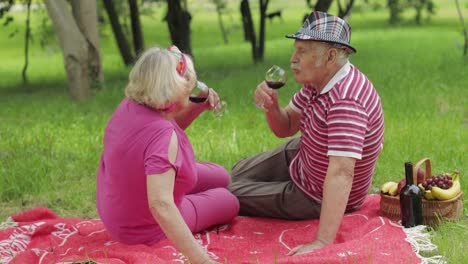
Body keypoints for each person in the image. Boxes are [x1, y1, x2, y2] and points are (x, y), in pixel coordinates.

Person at [229, 11, 384, 256]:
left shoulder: (346, 101)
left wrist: (322, 242)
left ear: (331, 56)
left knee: (227, 194)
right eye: (295, 49)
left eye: (302, 51)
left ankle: (178, 199)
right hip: (307, 155)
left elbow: (341, 173)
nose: (293, 59)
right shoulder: (318, 82)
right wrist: (272, 107)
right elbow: (287, 126)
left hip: (316, 193)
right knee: (233, 174)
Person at [96, 45, 239, 264]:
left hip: (117, 205)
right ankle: (192, 203)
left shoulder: (131, 106)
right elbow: (161, 205)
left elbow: (161, 129)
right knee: (229, 201)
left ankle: (190, 197)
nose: (193, 84)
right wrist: (203, 261)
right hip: (142, 226)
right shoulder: (163, 136)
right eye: (188, 81)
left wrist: (197, 105)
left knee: (222, 176)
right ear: (174, 89)